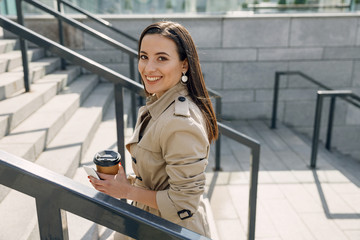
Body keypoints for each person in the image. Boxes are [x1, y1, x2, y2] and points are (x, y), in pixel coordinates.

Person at [89, 21, 218, 239]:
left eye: (162, 58)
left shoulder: (180, 122)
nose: (148, 68)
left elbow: (183, 202)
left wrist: (127, 192)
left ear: (184, 65)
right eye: (143, 56)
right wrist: (125, 182)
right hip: (148, 219)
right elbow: (162, 177)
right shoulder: (159, 104)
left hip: (169, 229)